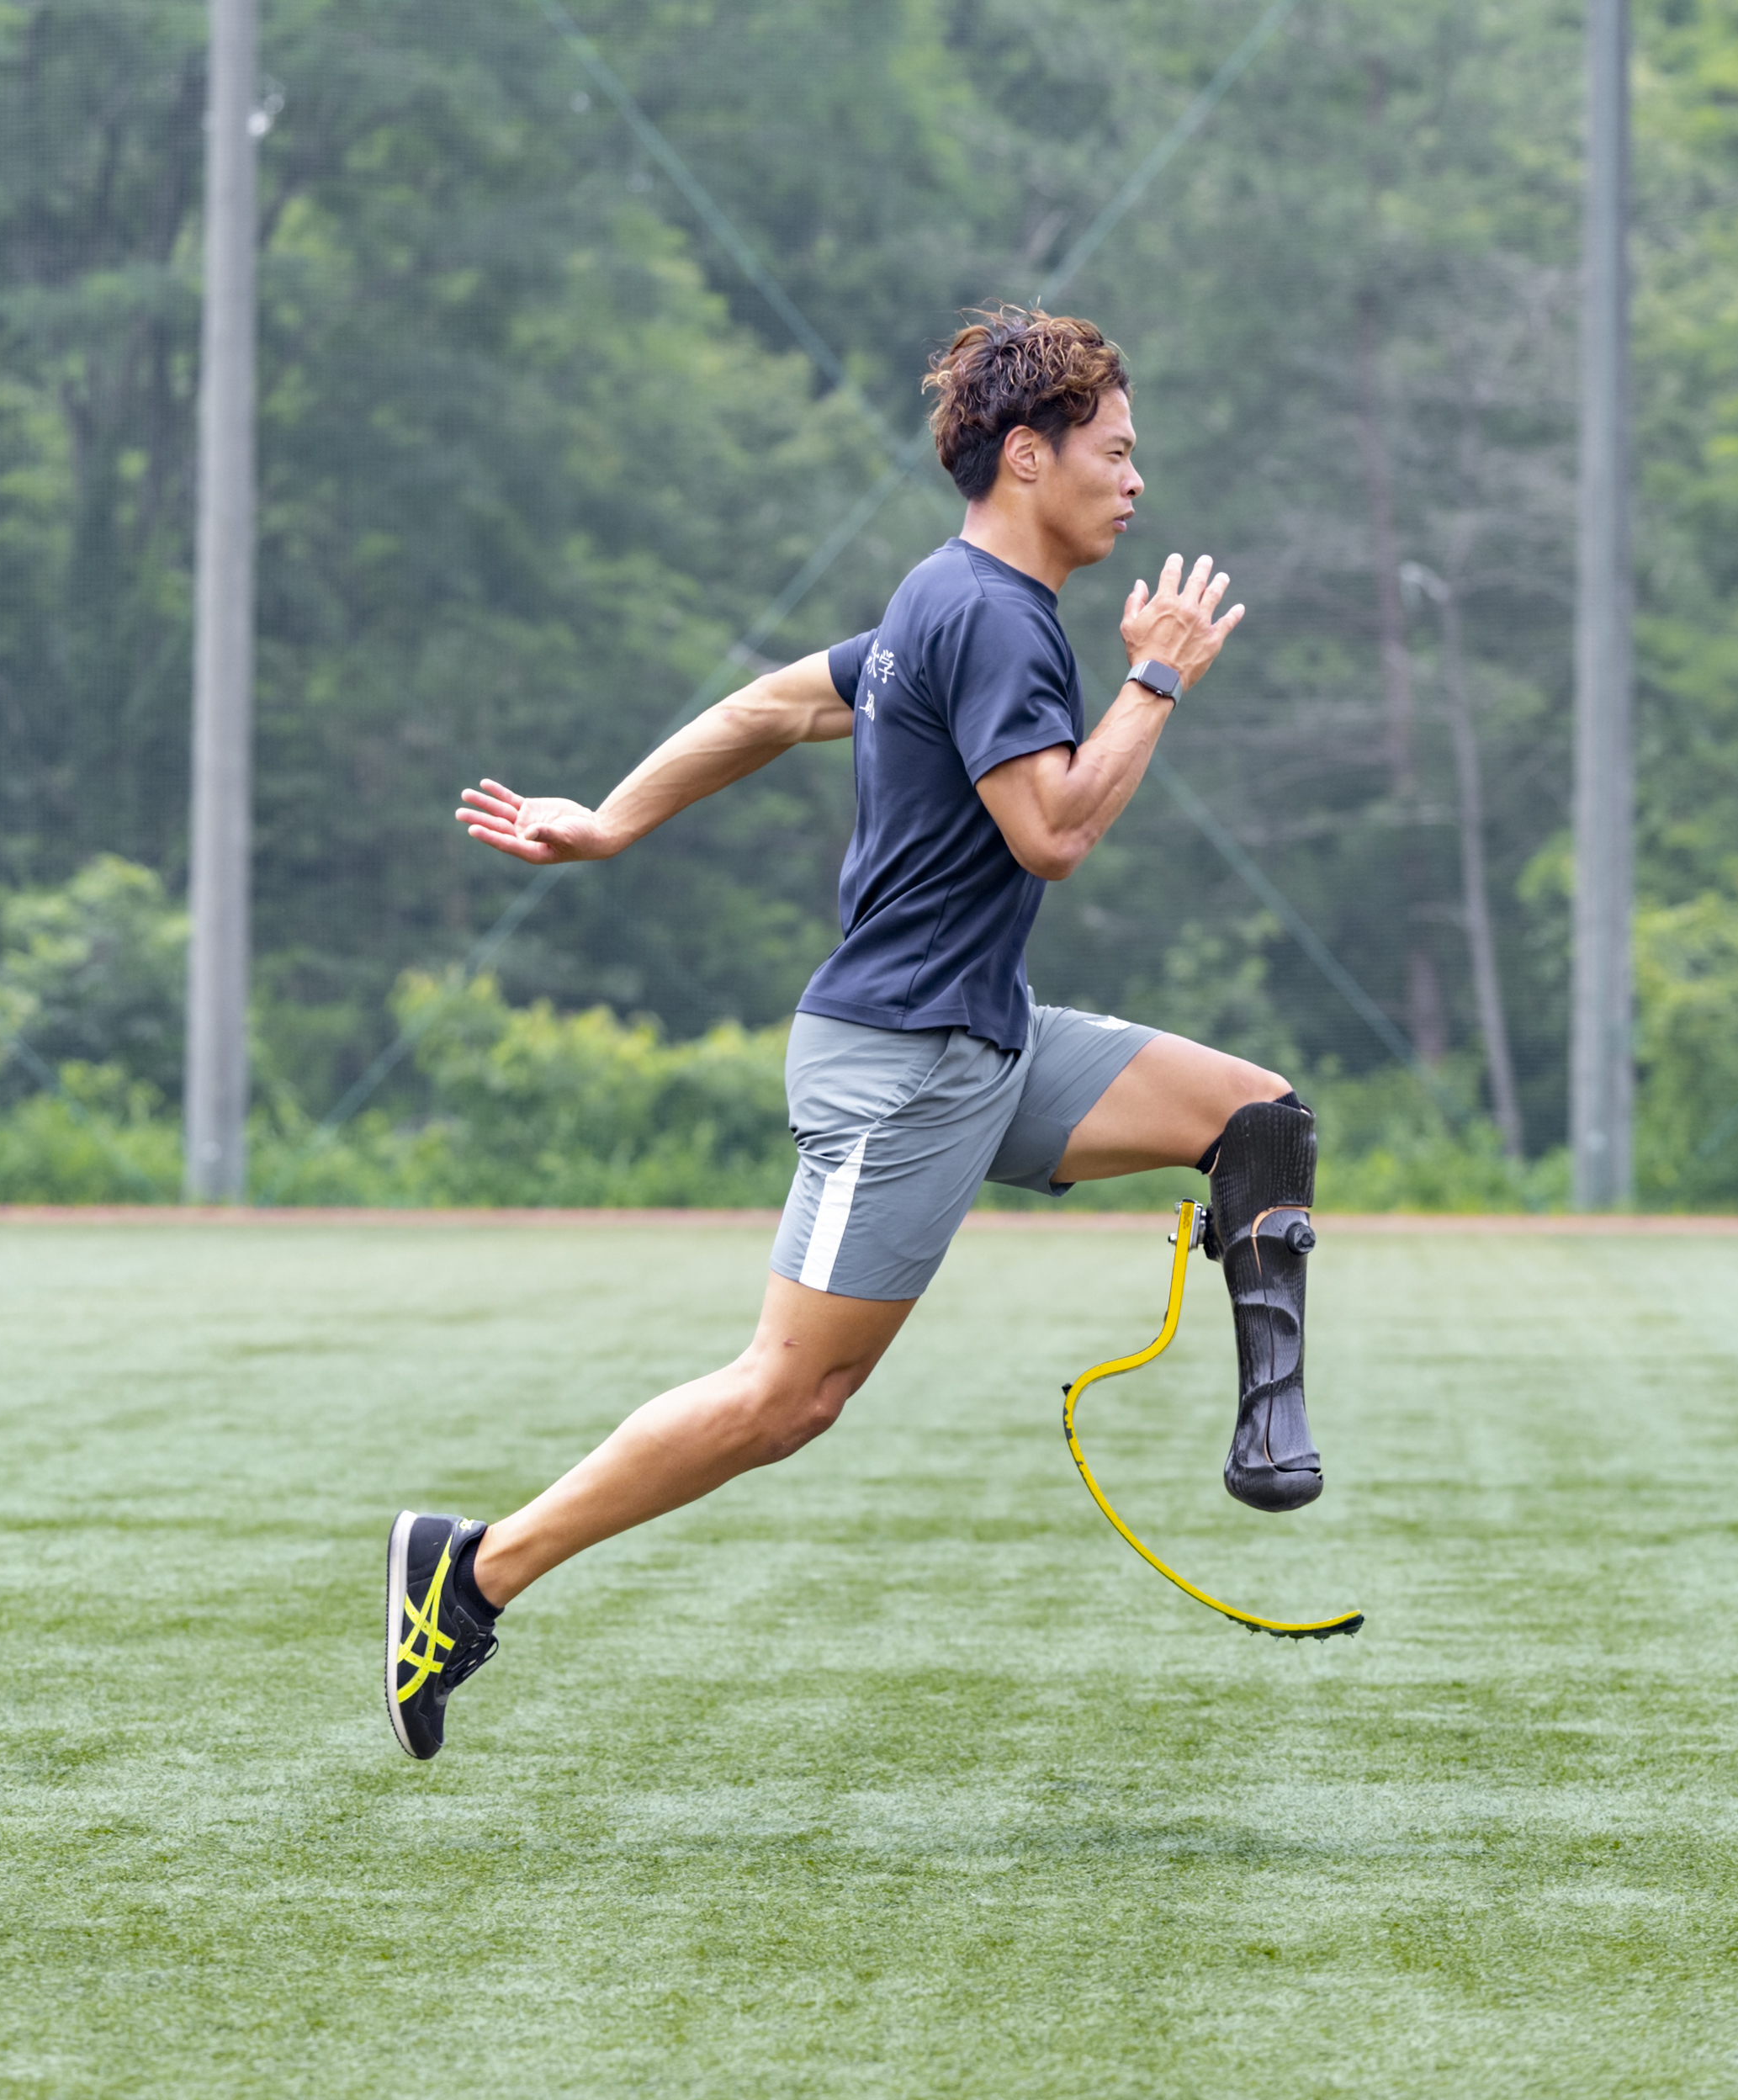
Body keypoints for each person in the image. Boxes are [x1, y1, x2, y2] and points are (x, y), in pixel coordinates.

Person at [384, 308, 1327, 1759]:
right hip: (902, 1067)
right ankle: (474, 1570)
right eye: (1117, 453)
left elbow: (772, 704)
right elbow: (1054, 833)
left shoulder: (947, 602)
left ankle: (1271, 1438)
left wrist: (614, 821)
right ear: (1029, 454)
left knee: (1255, 1119)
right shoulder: (998, 616)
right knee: (788, 1398)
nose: (1139, 484)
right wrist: (1156, 678)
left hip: (982, 1042)